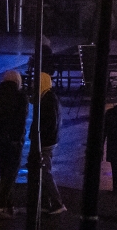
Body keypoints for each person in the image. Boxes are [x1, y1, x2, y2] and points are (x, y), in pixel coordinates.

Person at [0, 71, 26, 213]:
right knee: (11, 172)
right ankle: (2, 203)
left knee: (4, 169)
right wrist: (18, 138)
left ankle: (9, 204)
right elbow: (21, 121)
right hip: (14, 141)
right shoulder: (20, 97)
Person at [35, 72, 63, 214]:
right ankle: (46, 202)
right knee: (43, 170)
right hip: (50, 140)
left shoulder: (47, 100)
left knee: (45, 171)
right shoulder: (50, 98)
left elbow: (48, 123)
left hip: (46, 141)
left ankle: (57, 203)